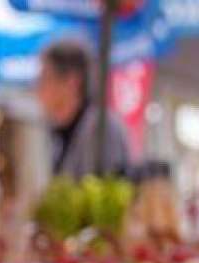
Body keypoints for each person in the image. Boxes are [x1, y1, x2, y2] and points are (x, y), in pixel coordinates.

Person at [36, 40, 132, 179]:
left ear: (72, 81)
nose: (38, 88)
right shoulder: (57, 133)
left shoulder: (101, 129)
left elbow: (108, 185)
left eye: (45, 78)